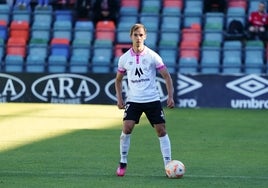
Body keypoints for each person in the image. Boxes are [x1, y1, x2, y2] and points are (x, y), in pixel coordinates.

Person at [115, 23, 175, 177]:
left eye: (141, 35)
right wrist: (119, 99)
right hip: (133, 100)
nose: (138, 38)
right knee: (127, 128)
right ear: (131, 37)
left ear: (145, 37)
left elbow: (166, 76)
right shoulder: (124, 59)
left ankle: (168, 165)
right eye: (135, 35)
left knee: (161, 131)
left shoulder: (152, 56)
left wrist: (170, 96)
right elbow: (118, 80)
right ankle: (123, 162)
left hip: (152, 100)